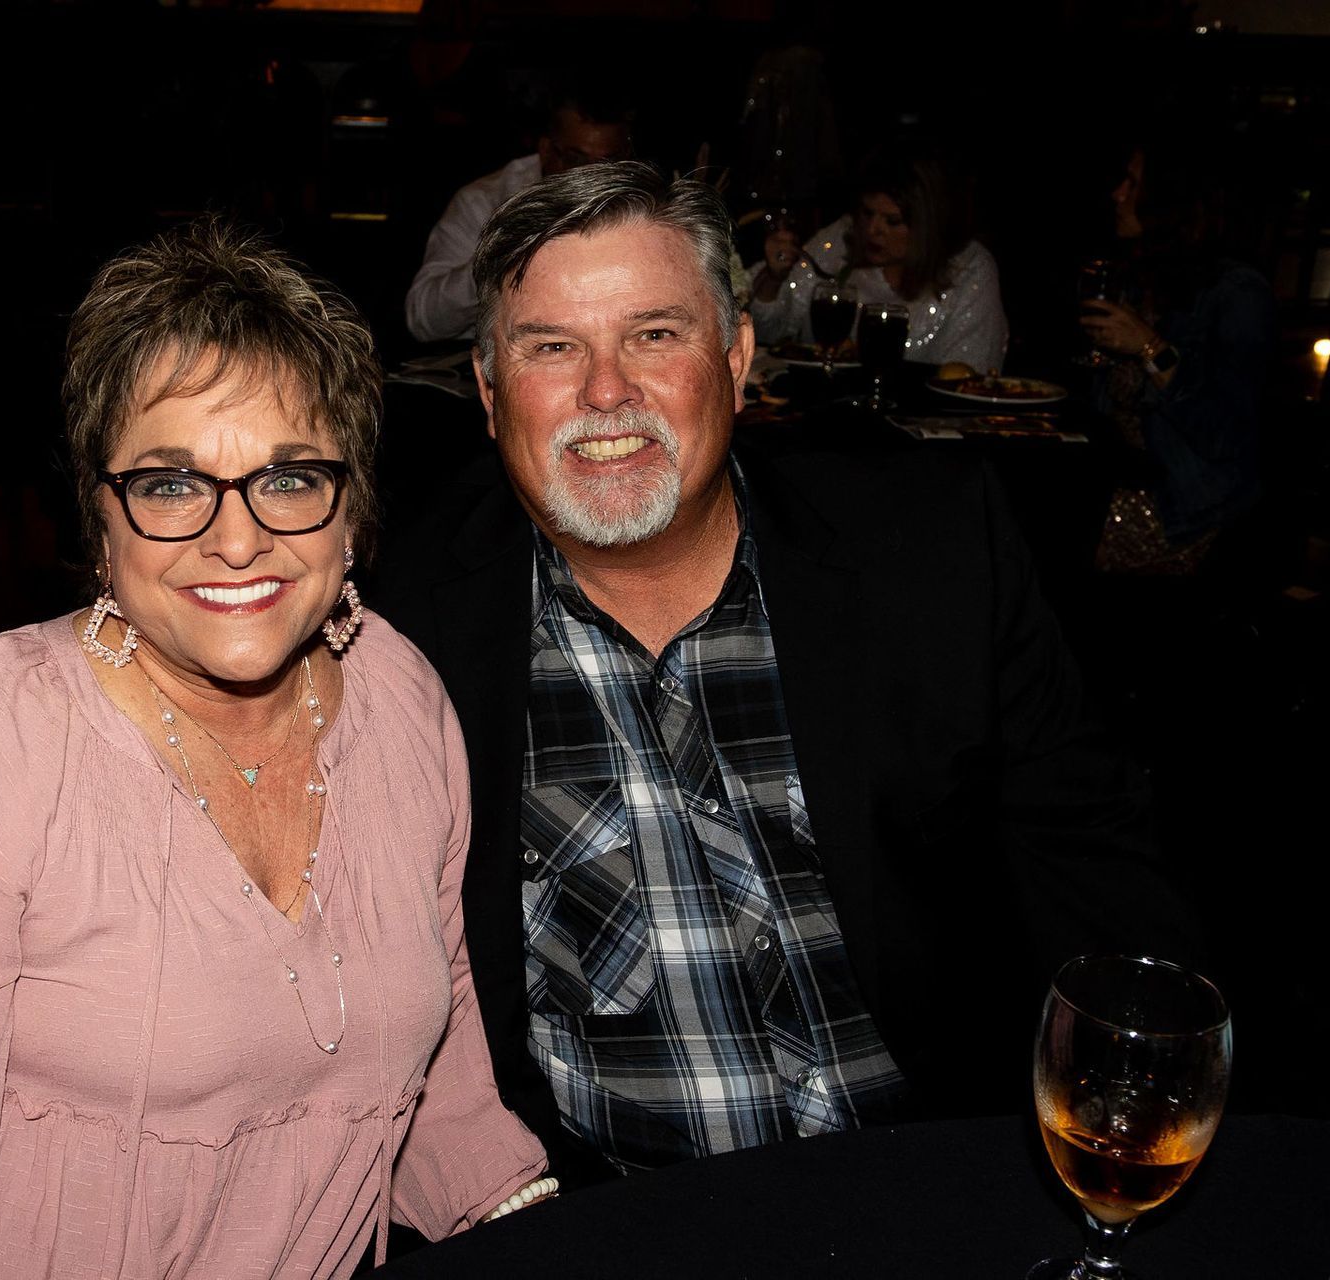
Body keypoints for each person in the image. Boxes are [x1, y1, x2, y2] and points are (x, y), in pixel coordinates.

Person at [0, 220, 550, 1279]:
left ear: (354, 512)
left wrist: (538, 1220)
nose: (237, 535)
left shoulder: (401, 703)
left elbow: (440, 1064)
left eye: (290, 474)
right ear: (100, 520)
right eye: (170, 483)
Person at [372, 162, 1192, 1182]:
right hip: (619, 1219)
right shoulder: (398, 624)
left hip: (936, 1176)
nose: (606, 391)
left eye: (655, 334)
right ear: (489, 394)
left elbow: (1094, 871)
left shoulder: (930, 554)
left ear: (738, 356)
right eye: (551, 348)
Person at [1079, 139, 1271, 574]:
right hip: (1120, 476)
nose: (1118, 195)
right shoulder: (1140, 277)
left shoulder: (1237, 294)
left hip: (1187, 505)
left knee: (1053, 528)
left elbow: (1225, 435)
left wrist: (1150, 348)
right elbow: (1106, 407)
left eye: (1132, 184)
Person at [749, 144, 1007, 372]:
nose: (873, 230)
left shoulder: (968, 268)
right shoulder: (839, 242)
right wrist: (773, 279)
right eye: (867, 213)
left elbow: (969, 377)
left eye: (892, 221)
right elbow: (769, 334)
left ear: (928, 225)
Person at [404, 89, 633, 343]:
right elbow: (423, 320)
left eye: (609, 161)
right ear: (546, 150)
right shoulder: (484, 200)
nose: (591, 175)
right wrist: (500, 259)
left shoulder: (642, 204)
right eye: (576, 159)